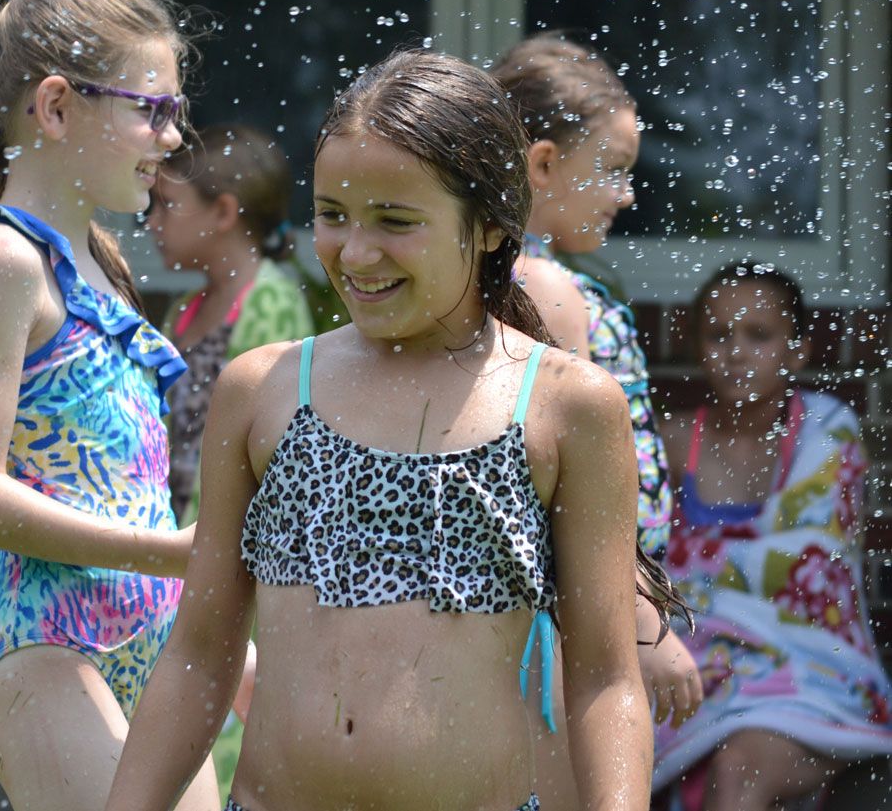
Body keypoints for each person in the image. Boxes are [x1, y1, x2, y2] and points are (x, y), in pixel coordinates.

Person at [105, 48, 662, 811]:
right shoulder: (265, 390)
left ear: (496, 226)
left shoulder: (566, 406)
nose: (356, 251)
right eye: (333, 215)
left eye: (396, 222)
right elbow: (201, 654)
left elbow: (604, 678)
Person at [0, 0, 218, 811]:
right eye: (151, 108)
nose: (172, 137)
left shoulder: (102, 264)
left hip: (155, 648)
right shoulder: (4, 260)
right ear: (56, 106)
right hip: (44, 646)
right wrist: (169, 553)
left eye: (174, 111)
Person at [494, 33, 701, 738]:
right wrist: (643, 625)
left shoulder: (511, 277)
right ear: (544, 163)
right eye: (611, 169)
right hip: (572, 621)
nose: (627, 193)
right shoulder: (544, 289)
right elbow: (574, 495)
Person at [653, 262, 892, 810]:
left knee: (736, 772)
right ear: (697, 346)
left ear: (797, 349)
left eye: (758, 336)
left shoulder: (827, 432)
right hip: (697, 670)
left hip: (811, 676)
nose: (736, 351)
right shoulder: (667, 445)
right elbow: (637, 569)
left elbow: (814, 565)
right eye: (718, 335)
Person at [147, 125, 315, 523]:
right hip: (172, 533)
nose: (152, 222)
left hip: (225, 539)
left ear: (223, 211)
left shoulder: (271, 302)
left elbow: (272, 443)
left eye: (166, 205)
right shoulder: (186, 308)